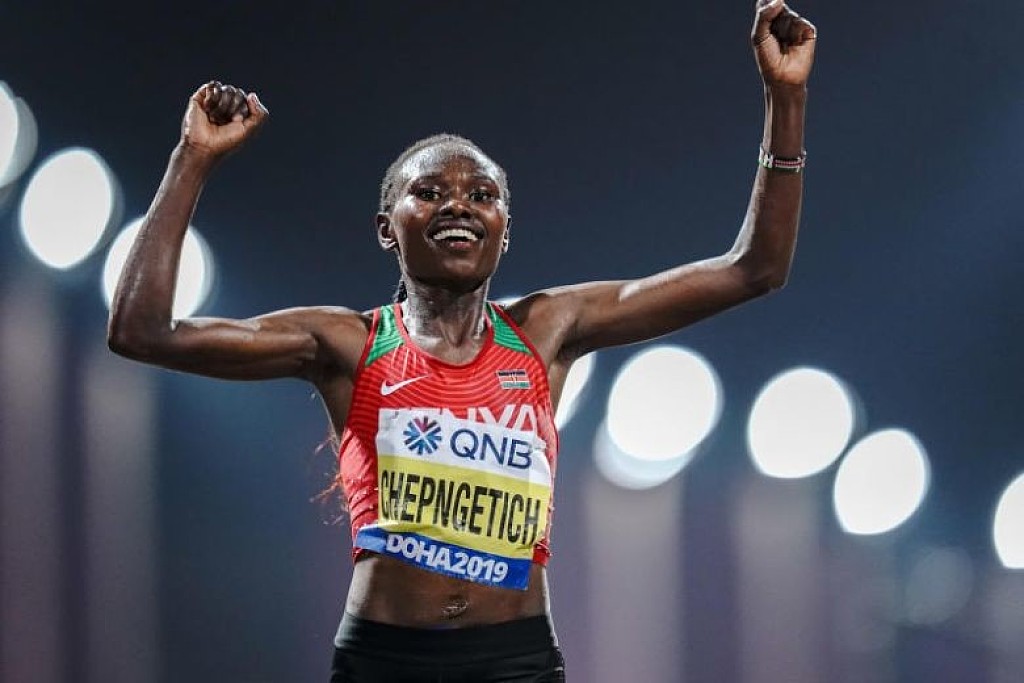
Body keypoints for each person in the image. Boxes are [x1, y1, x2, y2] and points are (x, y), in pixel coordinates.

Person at [107, 1, 816, 680]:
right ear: (387, 228)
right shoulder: (346, 343)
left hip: (515, 661)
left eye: (482, 194)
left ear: (506, 229)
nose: (458, 204)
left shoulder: (547, 329)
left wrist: (785, 98)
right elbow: (141, 331)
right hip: (384, 660)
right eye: (429, 192)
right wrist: (193, 158)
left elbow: (754, 269)